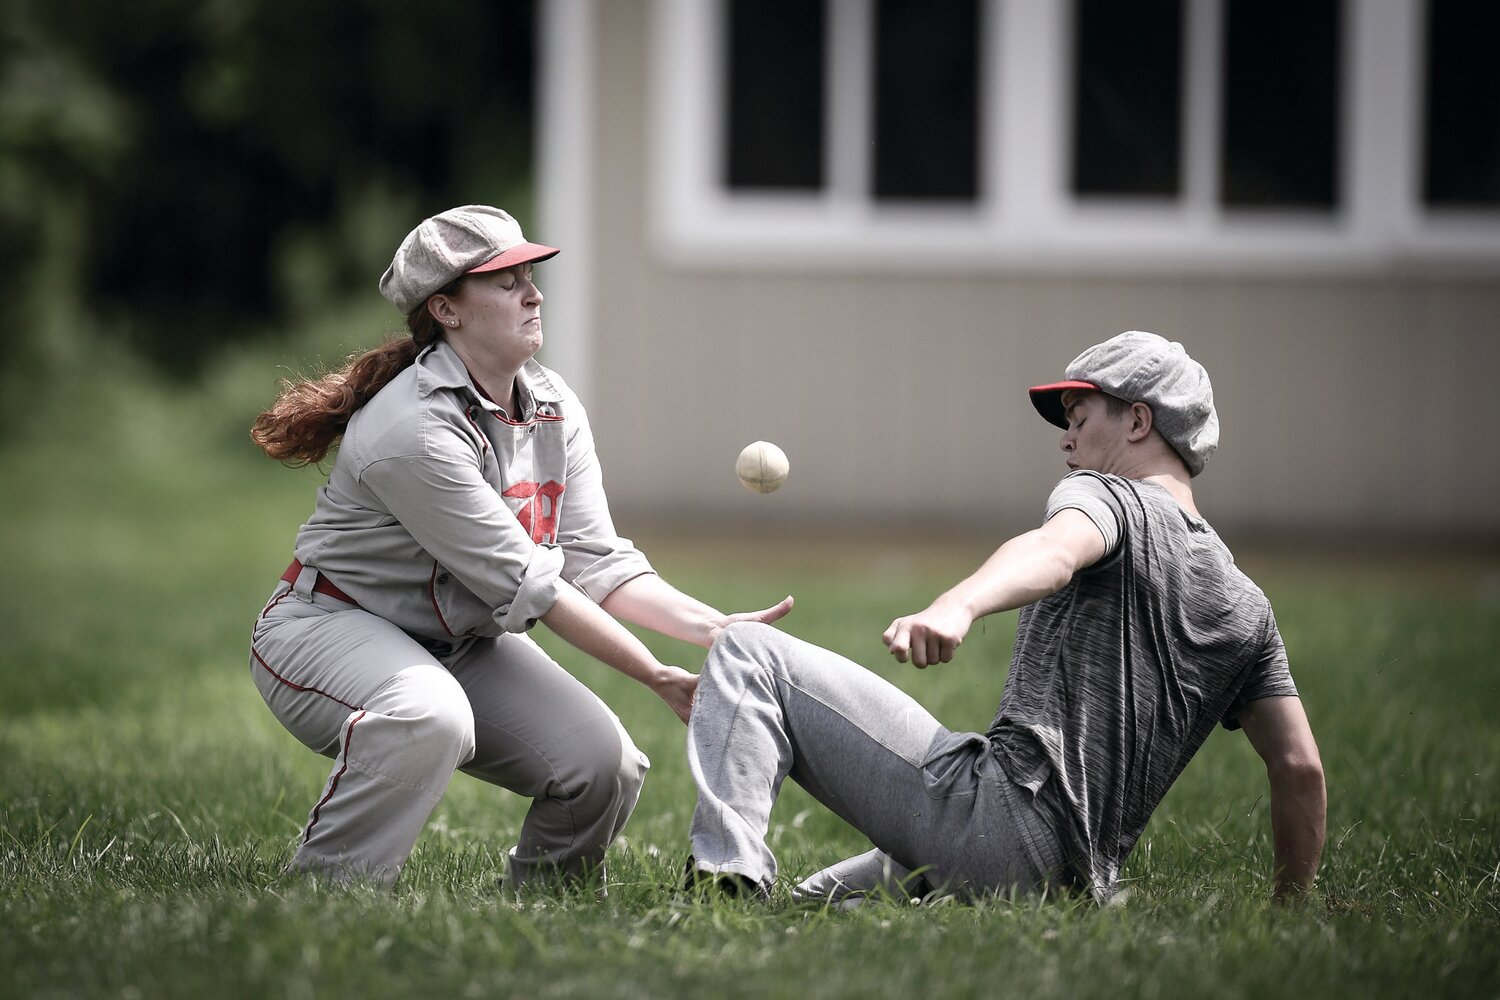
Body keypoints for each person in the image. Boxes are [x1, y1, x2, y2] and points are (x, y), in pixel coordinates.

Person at [248, 205, 791, 891]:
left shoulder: (551, 405)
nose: (533, 294)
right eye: (506, 282)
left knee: (604, 766)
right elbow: (537, 587)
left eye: (530, 276)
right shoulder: (414, 429)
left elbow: (596, 561)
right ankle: (326, 897)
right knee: (429, 715)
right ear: (446, 309)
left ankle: (539, 910)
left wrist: (715, 629)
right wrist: (655, 674)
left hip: (457, 642)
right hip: (327, 626)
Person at [685, 331, 1325, 904]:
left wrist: (956, 604)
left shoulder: (1108, 495)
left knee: (747, 649)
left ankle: (723, 884)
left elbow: (1054, 550)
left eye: (1078, 417)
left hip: (998, 824)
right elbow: (1299, 768)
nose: (1066, 438)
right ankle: (805, 905)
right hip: (1075, 884)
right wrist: (1292, 910)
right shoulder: (1247, 606)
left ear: (1136, 421)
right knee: (813, 905)